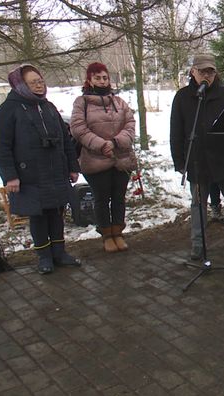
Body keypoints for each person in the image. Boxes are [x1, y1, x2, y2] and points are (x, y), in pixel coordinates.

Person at [0, 64, 81, 275]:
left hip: (55, 172)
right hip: (29, 175)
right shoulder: (9, 110)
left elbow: (65, 140)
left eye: (40, 81)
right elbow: (1, 147)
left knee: (57, 214)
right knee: (39, 216)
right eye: (33, 83)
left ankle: (59, 253)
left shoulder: (48, 107)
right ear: (21, 85)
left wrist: (72, 166)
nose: (39, 86)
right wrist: (10, 176)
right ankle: (44, 257)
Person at [170, 55, 224, 258]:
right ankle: (198, 243)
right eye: (202, 71)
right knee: (198, 203)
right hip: (197, 158)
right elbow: (176, 131)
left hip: (223, 156)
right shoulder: (182, 97)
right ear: (192, 72)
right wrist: (179, 161)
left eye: (210, 71)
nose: (207, 75)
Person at [70, 62, 137, 253]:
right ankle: (107, 235)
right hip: (95, 159)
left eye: (105, 77)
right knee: (101, 198)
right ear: (89, 79)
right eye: (97, 77)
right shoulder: (81, 103)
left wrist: (116, 142)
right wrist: (101, 144)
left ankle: (118, 232)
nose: (102, 81)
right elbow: (78, 129)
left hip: (120, 157)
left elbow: (130, 124)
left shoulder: (119, 102)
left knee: (119, 198)